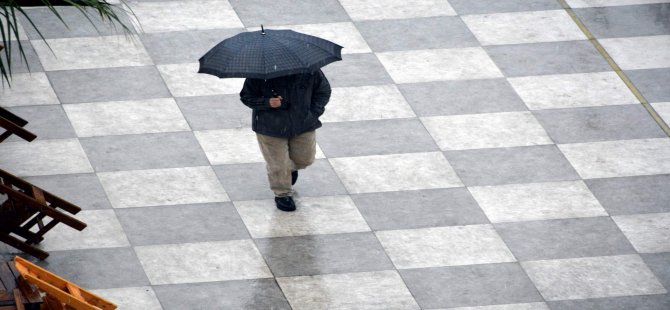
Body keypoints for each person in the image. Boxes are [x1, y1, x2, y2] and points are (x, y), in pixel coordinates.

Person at [240, 69, 331, 211]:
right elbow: (246, 96)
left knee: (305, 159)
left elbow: (323, 90)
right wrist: (267, 102)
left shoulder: (310, 70)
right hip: (269, 127)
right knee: (278, 164)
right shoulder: (259, 74)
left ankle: (289, 169)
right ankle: (282, 193)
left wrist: (313, 113)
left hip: (303, 124)